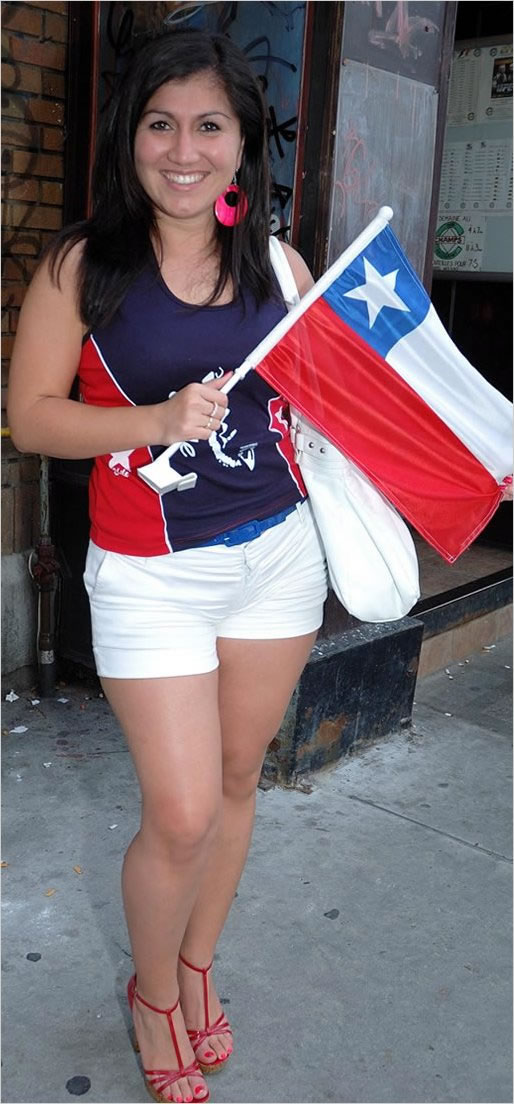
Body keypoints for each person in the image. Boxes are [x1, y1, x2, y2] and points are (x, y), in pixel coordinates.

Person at [7, 29, 328, 1104]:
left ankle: (195, 972)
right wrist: (150, 417)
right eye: (160, 123)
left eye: (208, 126)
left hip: (277, 561)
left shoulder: (281, 265)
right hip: (150, 569)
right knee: (182, 811)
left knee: (238, 785)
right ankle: (151, 997)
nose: (182, 150)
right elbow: (31, 420)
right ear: (129, 136)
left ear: (243, 146)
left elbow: (338, 400)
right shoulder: (81, 264)